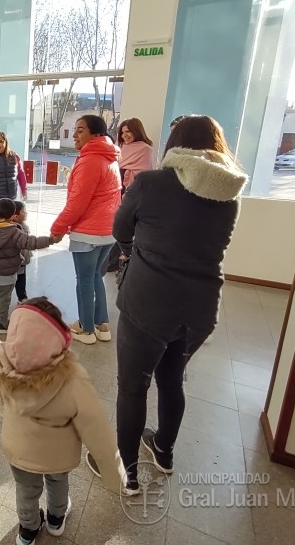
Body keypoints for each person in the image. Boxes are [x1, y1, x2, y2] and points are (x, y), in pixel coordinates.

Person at [88, 114, 247, 494]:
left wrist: (138, 248)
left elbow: (120, 230)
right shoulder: (229, 193)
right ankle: (163, 451)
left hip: (149, 302)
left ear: (174, 145)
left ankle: (126, 472)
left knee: (132, 386)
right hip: (200, 308)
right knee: (172, 378)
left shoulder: (151, 182)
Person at [0, 297, 122, 545]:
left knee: (26, 490)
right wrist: (115, 476)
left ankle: (27, 530)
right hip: (57, 453)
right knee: (57, 481)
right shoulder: (72, 377)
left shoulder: (0, 360)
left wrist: (7, 426)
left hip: (18, 448)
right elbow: (96, 427)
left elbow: (0, 404)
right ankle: (56, 519)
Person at [50, 115, 122, 345]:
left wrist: (58, 228)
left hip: (89, 232)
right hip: (108, 231)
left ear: (96, 134)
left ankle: (86, 329)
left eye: (80, 130)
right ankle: (102, 324)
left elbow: (77, 203)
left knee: (85, 280)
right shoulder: (110, 158)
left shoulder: (90, 160)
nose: (74, 135)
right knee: (95, 277)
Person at [0, 198, 53, 333]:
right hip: (7, 272)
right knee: (4, 299)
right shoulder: (14, 232)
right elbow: (32, 242)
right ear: (13, 216)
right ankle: (3, 324)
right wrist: (50, 240)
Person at [117, 117, 154, 192]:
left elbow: (145, 174)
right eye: (122, 132)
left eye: (127, 131)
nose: (124, 135)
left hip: (136, 190)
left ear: (136, 131)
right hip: (118, 187)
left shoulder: (145, 149)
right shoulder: (121, 148)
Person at [12, 200, 31, 302]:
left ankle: (22, 297)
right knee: (15, 279)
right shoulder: (12, 229)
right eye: (23, 211)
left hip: (22, 260)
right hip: (15, 259)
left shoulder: (24, 226)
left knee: (21, 278)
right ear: (15, 216)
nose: (26, 213)